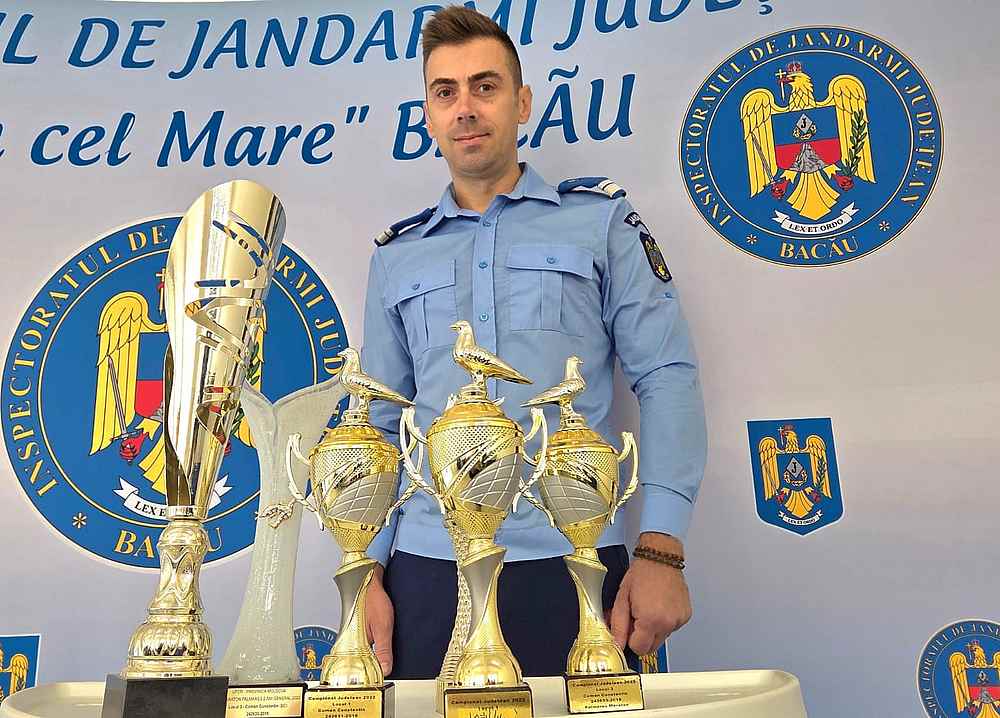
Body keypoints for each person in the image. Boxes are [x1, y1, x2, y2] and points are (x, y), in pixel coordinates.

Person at [359, 5, 707, 679]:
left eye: (485, 87)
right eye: (445, 92)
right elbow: (378, 420)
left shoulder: (600, 223)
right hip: (426, 572)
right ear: (428, 114)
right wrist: (365, 571)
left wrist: (661, 551)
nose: (465, 108)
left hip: (574, 559)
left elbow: (666, 377)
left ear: (521, 104)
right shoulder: (396, 256)